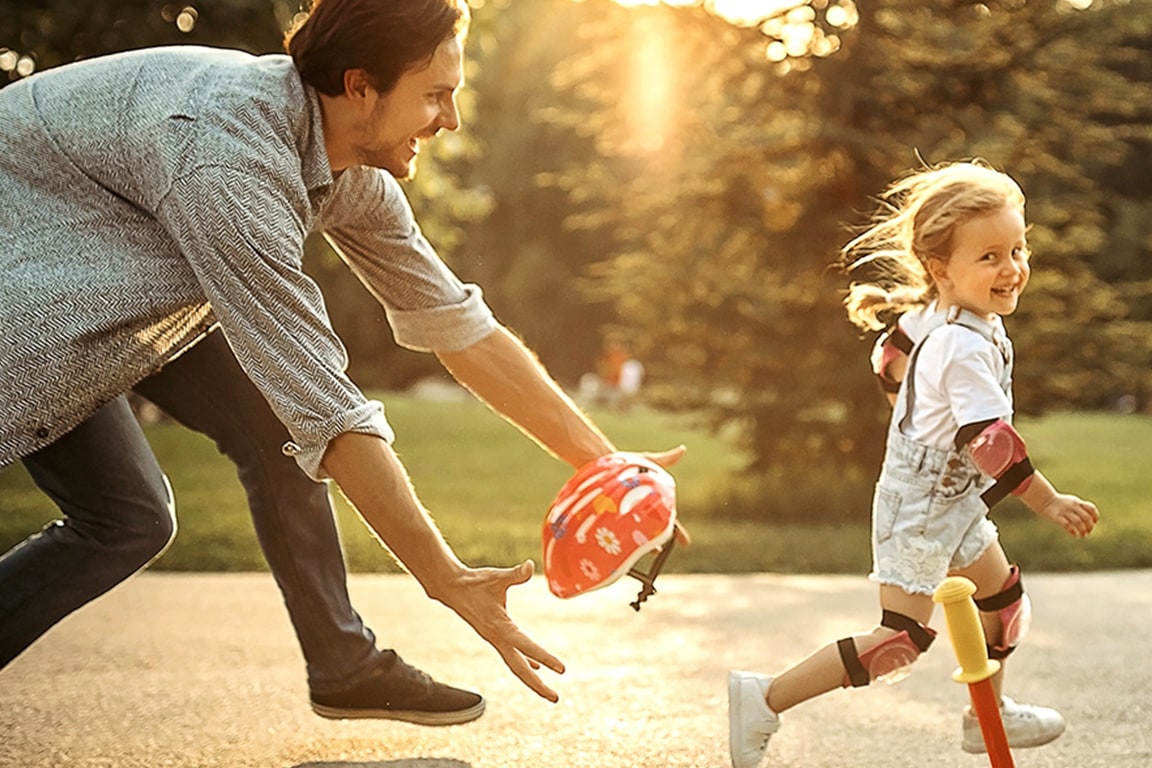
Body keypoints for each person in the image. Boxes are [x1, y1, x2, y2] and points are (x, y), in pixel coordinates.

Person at [0, 0, 685, 724]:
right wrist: (446, 578)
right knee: (131, 516)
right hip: (34, 282)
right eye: (434, 96)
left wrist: (609, 468)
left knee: (257, 442)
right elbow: (328, 409)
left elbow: (459, 327)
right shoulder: (228, 162)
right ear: (360, 87)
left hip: (116, 270)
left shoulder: (347, 168)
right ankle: (345, 662)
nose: (449, 120)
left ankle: (343, 666)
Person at [727, 161, 1100, 767]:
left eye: (1017, 249)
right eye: (989, 258)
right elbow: (991, 443)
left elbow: (888, 355)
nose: (1011, 269)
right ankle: (765, 698)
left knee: (1001, 605)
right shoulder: (961, 346)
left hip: (951, 501)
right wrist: (1049, 501)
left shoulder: (944, 315)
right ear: (940, 268)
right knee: (900, 641)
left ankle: (988, 718)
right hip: (919, 512)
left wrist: (910, 411)